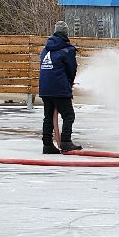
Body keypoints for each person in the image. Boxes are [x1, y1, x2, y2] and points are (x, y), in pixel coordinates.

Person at [38, 19, 80, 154]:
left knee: (48, 117)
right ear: (66, 33)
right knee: (68, 115)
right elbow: (71, 69)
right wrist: (69, 84)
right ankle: (66, 141)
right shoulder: (67, 50)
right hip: (59, 88)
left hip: (45, 88)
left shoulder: (45, 50)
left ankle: (47, 145)